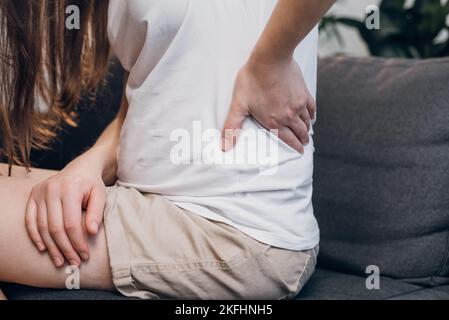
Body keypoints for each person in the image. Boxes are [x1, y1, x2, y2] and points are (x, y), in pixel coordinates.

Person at [0, 0, 335, 299]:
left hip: (232, 229)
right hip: (150, 197)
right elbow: (144, 103)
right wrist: (90, 165)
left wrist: (271, 62)